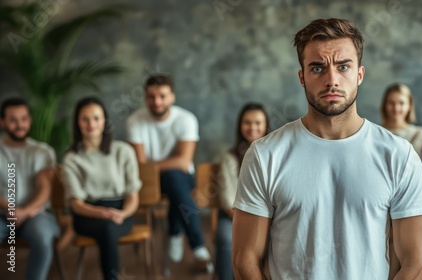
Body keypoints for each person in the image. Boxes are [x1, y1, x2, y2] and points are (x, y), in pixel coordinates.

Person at [232, 18, 422, 279]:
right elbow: (245, 260)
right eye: (317, 68)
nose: (331, 80)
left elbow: (416, 264)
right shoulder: (264, 155)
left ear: (359, 74)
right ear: (302, 77)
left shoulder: (399, 156)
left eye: (343, 66)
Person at [126, 75, 212, 272]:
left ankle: (176, 234)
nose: (157, 102)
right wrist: (168, 164)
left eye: (162, 96)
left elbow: (183, 161)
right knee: (174, 179)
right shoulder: (135, 121)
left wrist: (154, 164)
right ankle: (192, 241)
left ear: (172, 97)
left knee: (175, 179)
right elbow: (141, 166)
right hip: (148, 182)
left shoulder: (186, 119)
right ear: (145, 98)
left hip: (181, 179)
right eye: (151, 96)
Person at [62, 97, 142, 280]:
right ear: (77, 122)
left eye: (96, 118)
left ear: (105, 121)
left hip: (121, 212)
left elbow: (132, 195)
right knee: (107, 229)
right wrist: (100, 212)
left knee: (110, 228)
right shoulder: (71, 158)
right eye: (85, 119)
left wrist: (122, 213)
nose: (91, 124)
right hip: (87, 214)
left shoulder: (123, 151)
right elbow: (75, 204)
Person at [0, 97, 60, 280]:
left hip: (36, 214)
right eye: (13, 120)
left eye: (24, 119)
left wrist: (24, 212)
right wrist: (9, 209)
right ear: (2, 122)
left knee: (43, 238)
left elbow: (45, 189)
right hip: (1, 214)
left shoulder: (43, 151)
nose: (20, 125)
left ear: (29, 120)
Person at [215, 103, 270, 280]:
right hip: (232, 215)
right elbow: (226, 198)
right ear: (240, 126)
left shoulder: (274, 154)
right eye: (247, 122)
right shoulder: (229, 157)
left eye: (257, 122)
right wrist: (246, 220)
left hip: (268, 218)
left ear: (265, 125)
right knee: (225, 239)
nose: (252, 127)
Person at [380, 83, 422, 155]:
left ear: (409, 105)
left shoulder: (420, 134)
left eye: (401, 103)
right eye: (391, 103)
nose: (396, 108)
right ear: (384, 105)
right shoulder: (374, 133)